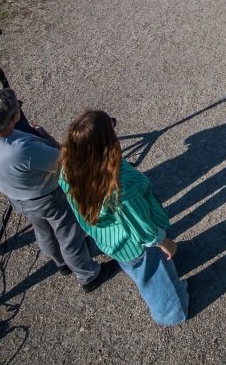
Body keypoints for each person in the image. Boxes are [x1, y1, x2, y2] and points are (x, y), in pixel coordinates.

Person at [0, 89, 111, 292]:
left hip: (18, 198)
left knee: (44, 232)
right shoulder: (22, 149)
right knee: (70, 236)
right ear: (14, 116)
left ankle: (61, 263)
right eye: (19, 107)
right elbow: (66, 163)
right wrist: (45, 136)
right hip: (48, 197)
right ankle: (88, 275)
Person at [60, 110, 189, 325]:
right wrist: (164, 242)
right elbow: (141, 227)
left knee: (137, 270)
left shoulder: (68, 169)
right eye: (112, 128)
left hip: (112, 240)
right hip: (139, 244)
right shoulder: (120, 183)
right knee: (154, 274)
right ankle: (173, 313)